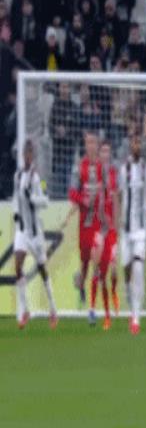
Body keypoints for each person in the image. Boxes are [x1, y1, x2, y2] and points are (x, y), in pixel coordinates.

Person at [13, 140, 57, 330]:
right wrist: (16, 213)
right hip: (22, 231)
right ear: (23, 154)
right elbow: (16, 197)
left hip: (36, 233)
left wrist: (32, 198)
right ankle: (25, 310)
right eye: (26, 153)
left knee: (42, 270)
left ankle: (53, 309)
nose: (28, 156)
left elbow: (45, 201)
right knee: (17, 266)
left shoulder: (36, 178)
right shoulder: (17, 175)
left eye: (30, 153)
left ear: (33, 156)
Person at [65, 131, 104, 319]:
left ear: (97, 145)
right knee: (86, 263)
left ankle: (92, 308)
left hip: (99, 221)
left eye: (93, 142)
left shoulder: (103, 167)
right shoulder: (79, 167)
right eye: (88, 142)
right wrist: (83, 200)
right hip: (85, 223)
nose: (91, 146)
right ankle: (80, 284)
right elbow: (72, 193)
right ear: (85, 145)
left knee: (96, 260)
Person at [119, 134, 146, 335]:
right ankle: (129, 294)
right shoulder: (124, 169)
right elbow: (120, 195)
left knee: (138, 268)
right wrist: (118, 220)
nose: (136, 145)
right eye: (133, 142)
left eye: (139, 142)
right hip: (126, 229)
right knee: (127, 268)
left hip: (140, 228)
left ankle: (136, 317)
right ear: (130, 145)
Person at [89, 140, 119, 330]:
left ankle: (114, 291)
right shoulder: (95, 175)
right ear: (99, 155)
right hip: (99, 229)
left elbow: (117, 201)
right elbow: (93, 203)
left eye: (108, 151)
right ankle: (95, 311)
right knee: (98, 271)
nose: (105, 154)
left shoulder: (114, 175)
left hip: (112, 231)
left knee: (114, 272)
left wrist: (115, 224)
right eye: (103, 151)